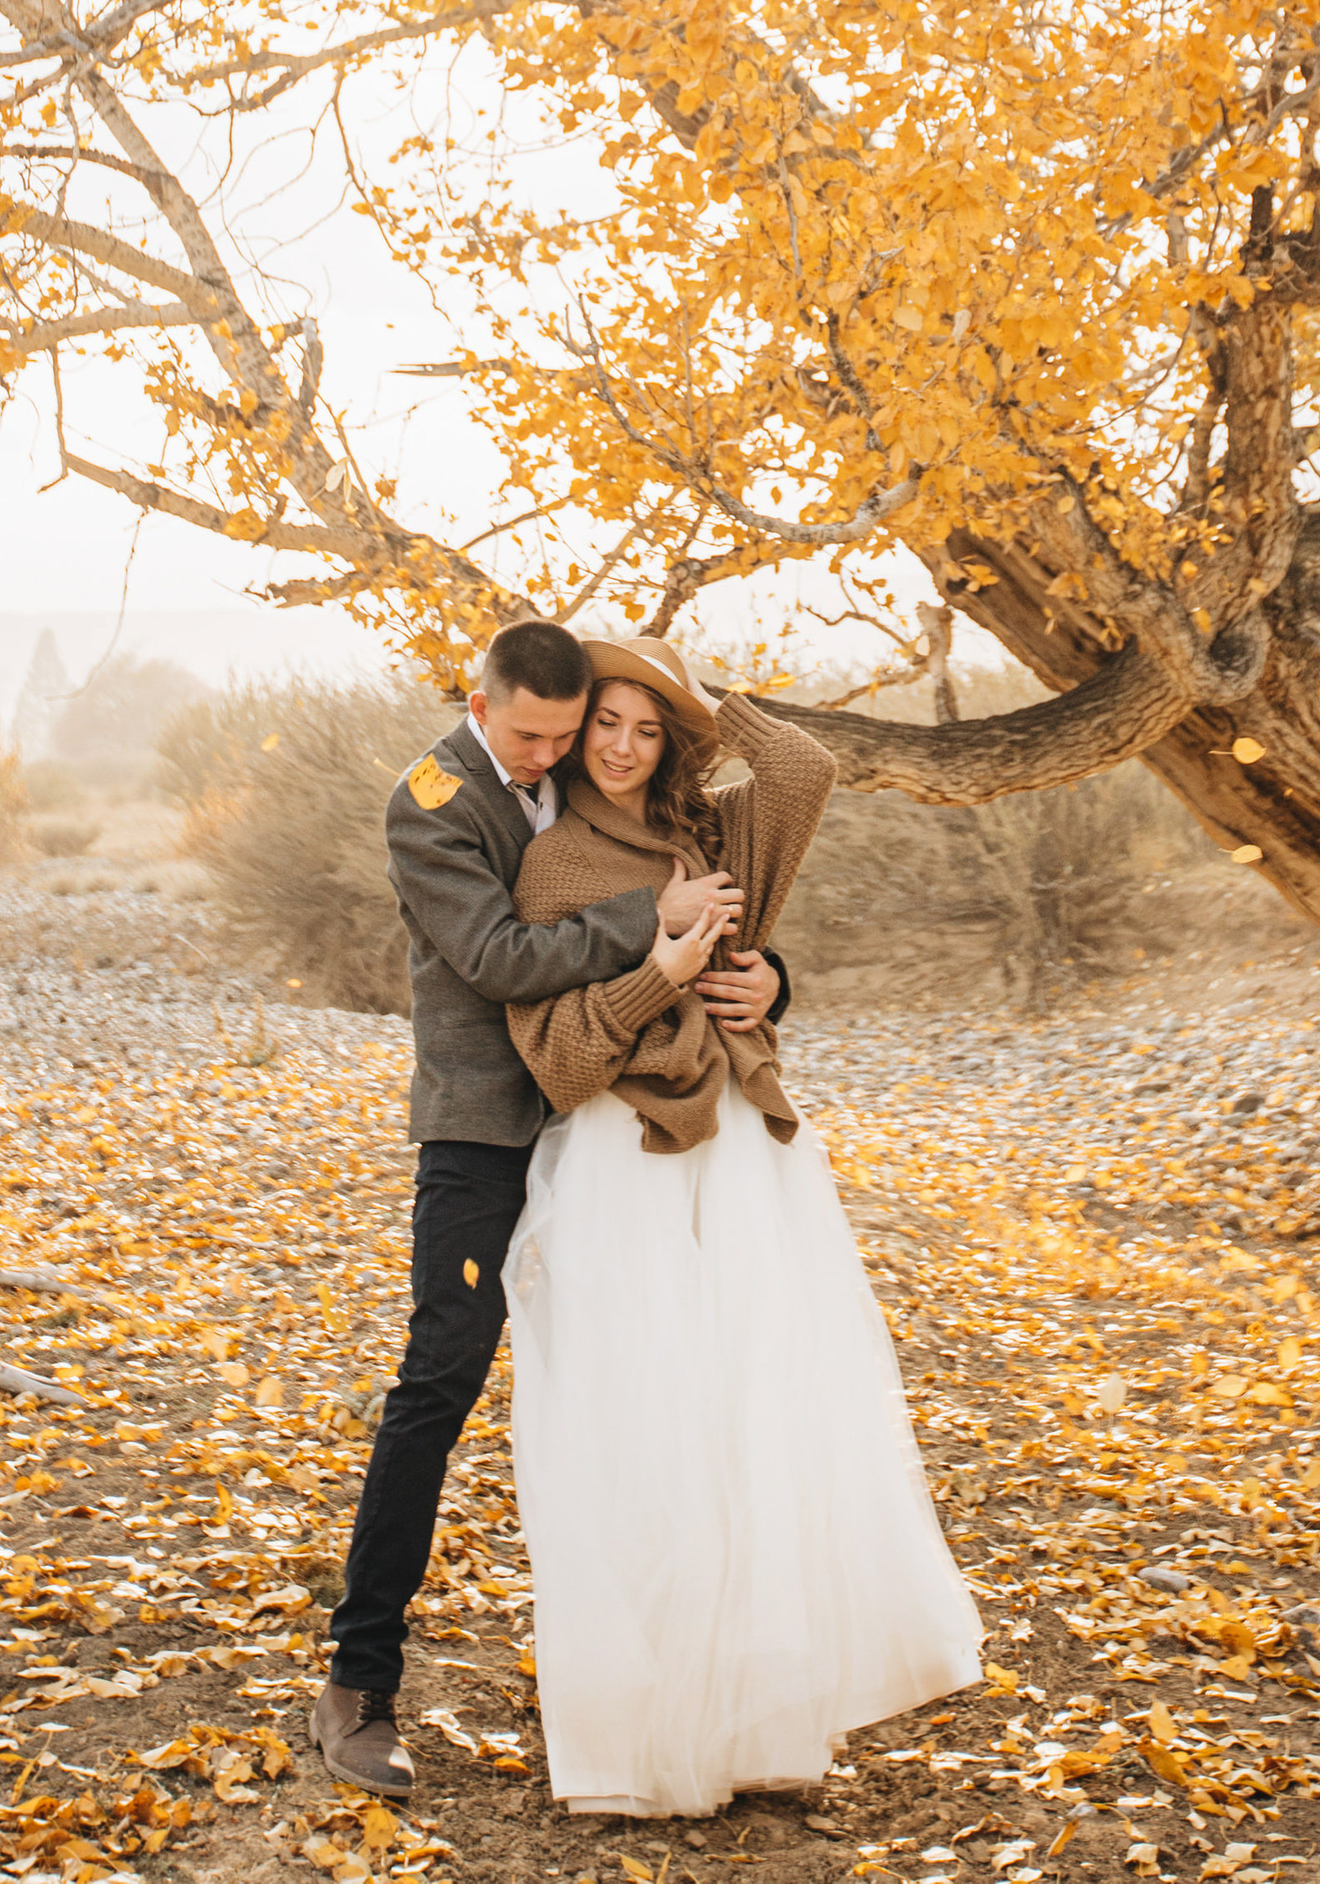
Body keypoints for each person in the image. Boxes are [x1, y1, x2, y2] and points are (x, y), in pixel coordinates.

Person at [501, 634, 983, 1818]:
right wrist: (662, 965)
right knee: (644, 1438)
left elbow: (806, 770)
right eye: (605, 723)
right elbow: (561, 1061)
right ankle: (640, 1747)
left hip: (748, 1165)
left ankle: (765, 1731)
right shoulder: (554, 863)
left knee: (758, 1424)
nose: (621, 747)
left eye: (646, 727)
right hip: (630, 1165)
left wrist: (708, 699)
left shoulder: (711, 834)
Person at [312, 619, 788, 1794]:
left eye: (564, 737)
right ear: (481, 704)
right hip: (483, 1132)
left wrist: (774, 974)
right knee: (441, 1379)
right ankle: (360, 1678)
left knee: (660, 1397)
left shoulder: (585, 767)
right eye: (528, 736)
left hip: (606, 1128)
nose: (547, 757)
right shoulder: (428, 804)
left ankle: (684, 1691)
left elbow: (693, 882)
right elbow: (499, 958)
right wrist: (658, 929)